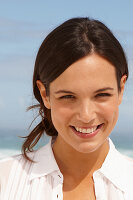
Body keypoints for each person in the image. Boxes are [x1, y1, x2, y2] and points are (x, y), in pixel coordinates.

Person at [0, 17, 133, 200]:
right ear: (45, 94)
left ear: (121, 89)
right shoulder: (5, 182)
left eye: (101, 95)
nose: (86, 116)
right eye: (68, 97)